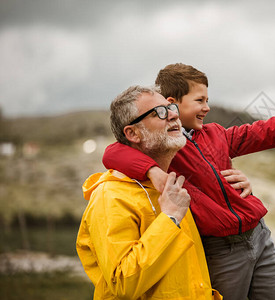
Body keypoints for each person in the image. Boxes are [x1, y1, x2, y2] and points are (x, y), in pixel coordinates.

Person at [103, 63, 275, 299]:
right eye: (200, 100)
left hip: (259, 235)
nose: (207, 107)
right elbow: (112, 153)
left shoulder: (217, 134)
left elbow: (267, 131)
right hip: (221, 251)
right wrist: (152, 171)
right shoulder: (165, 145)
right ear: (172, 105)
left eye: (208, 100)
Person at [76, 85, 222, 299]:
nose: (174, 114)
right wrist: (170, 218)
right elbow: (123, 282)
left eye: (171, 107)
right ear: (133, 133)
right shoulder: (110, 196)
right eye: (160, 112)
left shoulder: (170, 186)